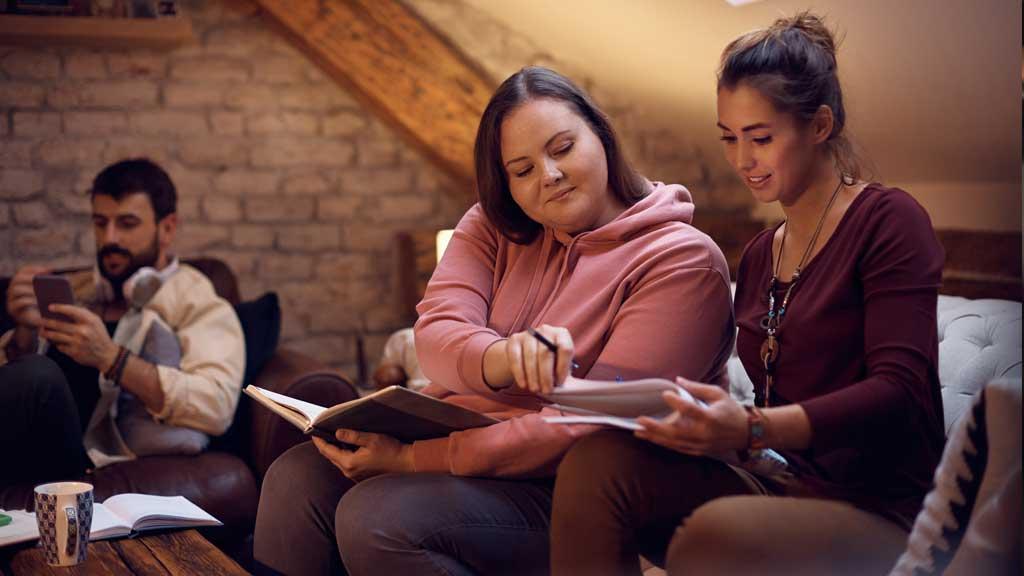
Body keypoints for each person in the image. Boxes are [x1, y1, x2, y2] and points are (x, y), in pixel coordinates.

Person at [254, 66, 735, 576]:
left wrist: (413, 461)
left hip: (577, 488)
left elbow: (592, 428)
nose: (548, 176)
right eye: (522, 170)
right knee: (297, 477)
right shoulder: (493, 225)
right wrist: (501, 358)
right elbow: (436, 336)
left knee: (377, 516)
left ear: (602, 135)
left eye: (563, 147)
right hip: (473, 455)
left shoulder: (682, 261)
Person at [549, 13, 946, 576]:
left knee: (714, 537)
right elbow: (769, 406)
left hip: (881, 511)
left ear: (820, 125)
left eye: (760, 138)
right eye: (729, 139)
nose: (742, 160)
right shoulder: (762, 254)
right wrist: (717, 429)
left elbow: (900, 392)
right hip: (779, 481)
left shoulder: (889, 220)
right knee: (596, 463)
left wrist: (755, 427)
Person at [0, 158, 246, 488]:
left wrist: (111, 358)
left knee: (37, 376)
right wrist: (23, 334)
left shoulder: (195, 297)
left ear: (167, 228)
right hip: (26, 450)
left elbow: (215, 404)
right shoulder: (77, 289)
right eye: (100, 223)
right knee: (31, 371)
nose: (109, 238)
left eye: (127, 223)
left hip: (80, 462)